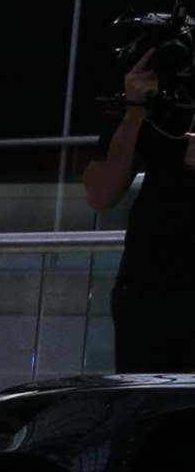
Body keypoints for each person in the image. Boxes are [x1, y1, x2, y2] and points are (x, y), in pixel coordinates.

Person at [86, 49, 195, 374]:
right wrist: (134, 111)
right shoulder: (170, 91)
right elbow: (100, 193)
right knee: (145, 416)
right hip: (148, 291)